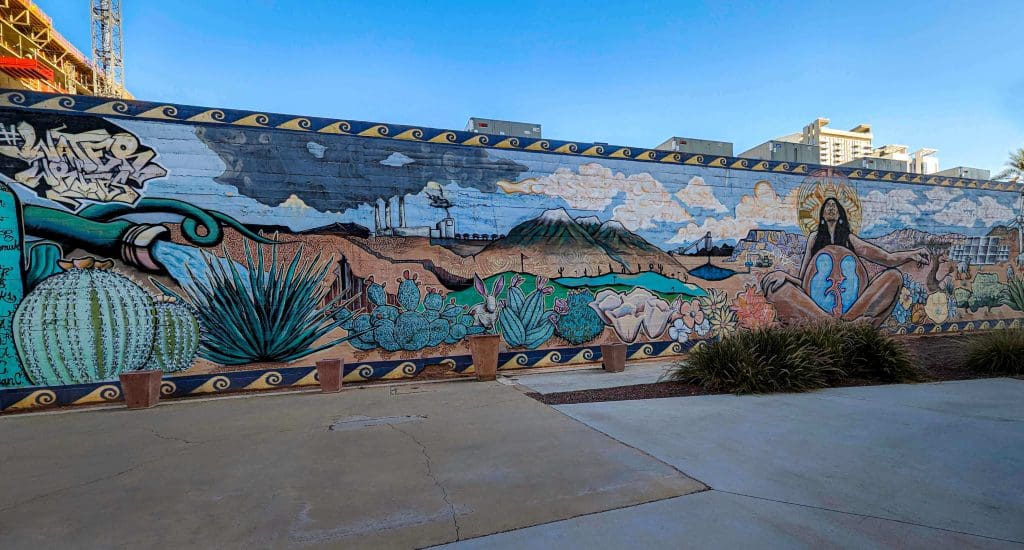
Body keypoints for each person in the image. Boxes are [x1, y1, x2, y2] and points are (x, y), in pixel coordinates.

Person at [760, 198, 928, 327]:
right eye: (827, 207)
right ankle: (842, 326)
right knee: (776, 287)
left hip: (854, 308)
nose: (831, 208)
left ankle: (837, 325)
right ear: (823, 216)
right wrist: (785, 276)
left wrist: (911, 253)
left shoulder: (849, 239)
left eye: (834, 206)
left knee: (894, 277)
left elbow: (887, 258)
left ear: (840, 214)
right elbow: (804, 280)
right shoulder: (815, 238)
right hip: (815, 307)